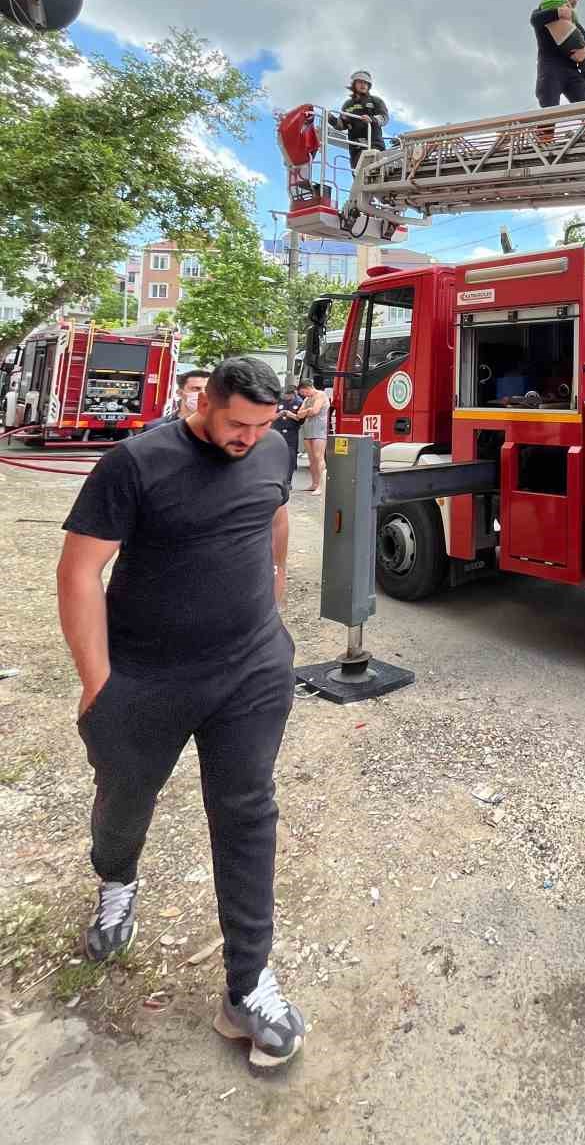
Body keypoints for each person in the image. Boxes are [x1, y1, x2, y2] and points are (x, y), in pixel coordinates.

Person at [56, 357, 305, 1067]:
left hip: (250, 672)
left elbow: (273, 517)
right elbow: (79, 571)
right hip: (146, 677)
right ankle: (116, 880)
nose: (250, 438)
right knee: (126, 798)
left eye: (263, 425)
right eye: (237, 424)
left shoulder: (274, 447)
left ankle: (248, 985)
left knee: (248, 809)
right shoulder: (138, 463)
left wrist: (273, 607)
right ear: (206, 405)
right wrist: (98, 681)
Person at [531, 0, 585, 111]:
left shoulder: (574, 23)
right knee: (548, 113)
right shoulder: (541, 11)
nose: (575, 0)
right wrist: (558, 12)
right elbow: (535, 20)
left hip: (572, 71)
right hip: (550, 68)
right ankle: (546, 133)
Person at [334, 70, 390, 168]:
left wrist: (372, 120)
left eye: (365, 83)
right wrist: (330, 119)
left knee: (371, 172)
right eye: (360, 82)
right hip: (355, 146)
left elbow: (384, 118)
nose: (363, 85)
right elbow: (341, 125)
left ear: (369, 85)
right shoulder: (348, 105)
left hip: (373, 145)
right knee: (358, 175)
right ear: (354, 84)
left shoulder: (376, 101)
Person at [140, 367, 208, 433]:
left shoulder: (215, 430)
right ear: (179, 393)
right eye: (196, 389)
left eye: (208, 390)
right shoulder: (156, 428)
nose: (203, 394)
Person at [296, 378, 329, 496]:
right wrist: (307, 411)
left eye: (303, 392)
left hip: (319, 430)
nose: (303, 395)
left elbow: (315, 411)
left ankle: (321, 485)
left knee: (318, 457)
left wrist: (307, 411)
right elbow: (299, 414)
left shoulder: (321, 395)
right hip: (308, 429)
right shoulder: (307, 399)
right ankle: (314, 483)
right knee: (311, 459)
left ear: (307, 388)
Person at [274, 384, 306, 484]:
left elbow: (300, 419)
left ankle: (288, 481)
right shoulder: (279, 401)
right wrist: (280, 414)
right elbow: (271, 416)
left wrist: (290, 414)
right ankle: (277, 479)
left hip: (291, 432)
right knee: (277, 456)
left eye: (288, 395)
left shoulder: (300, 402)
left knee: (290, 457)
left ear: (293, 394)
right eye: (284, 395)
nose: (285, 397)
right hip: (278, 431)